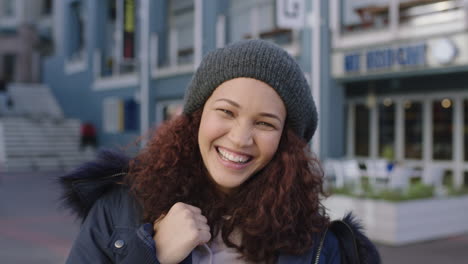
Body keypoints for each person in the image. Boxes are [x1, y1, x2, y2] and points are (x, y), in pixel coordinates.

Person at [60, 40, 380, 264]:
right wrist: (149, 254)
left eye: (265, 124)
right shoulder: (118, 209)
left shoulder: (324, 248)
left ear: (286, 142)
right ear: (197, 117)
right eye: (226, 112)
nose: (240, 139)